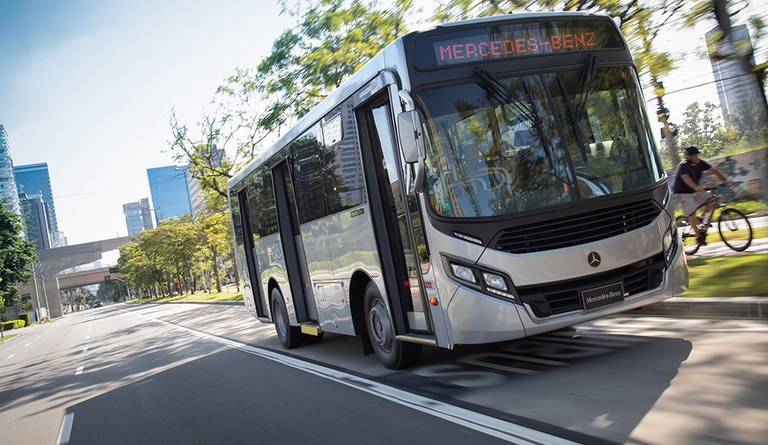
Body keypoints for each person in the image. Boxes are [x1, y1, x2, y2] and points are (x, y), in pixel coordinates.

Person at [672, 146, 732, 245]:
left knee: (712, 199)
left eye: (697, 155)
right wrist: (696, 187)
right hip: (683, 192)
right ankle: (699, 238)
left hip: (695, 190)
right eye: (694, 155)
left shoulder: (700, 163)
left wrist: (725, 180)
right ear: (689, 157)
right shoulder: (684, 165)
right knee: (692, 212)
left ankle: (702, 218)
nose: (697, 157)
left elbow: (714, 170)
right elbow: (686, 178)